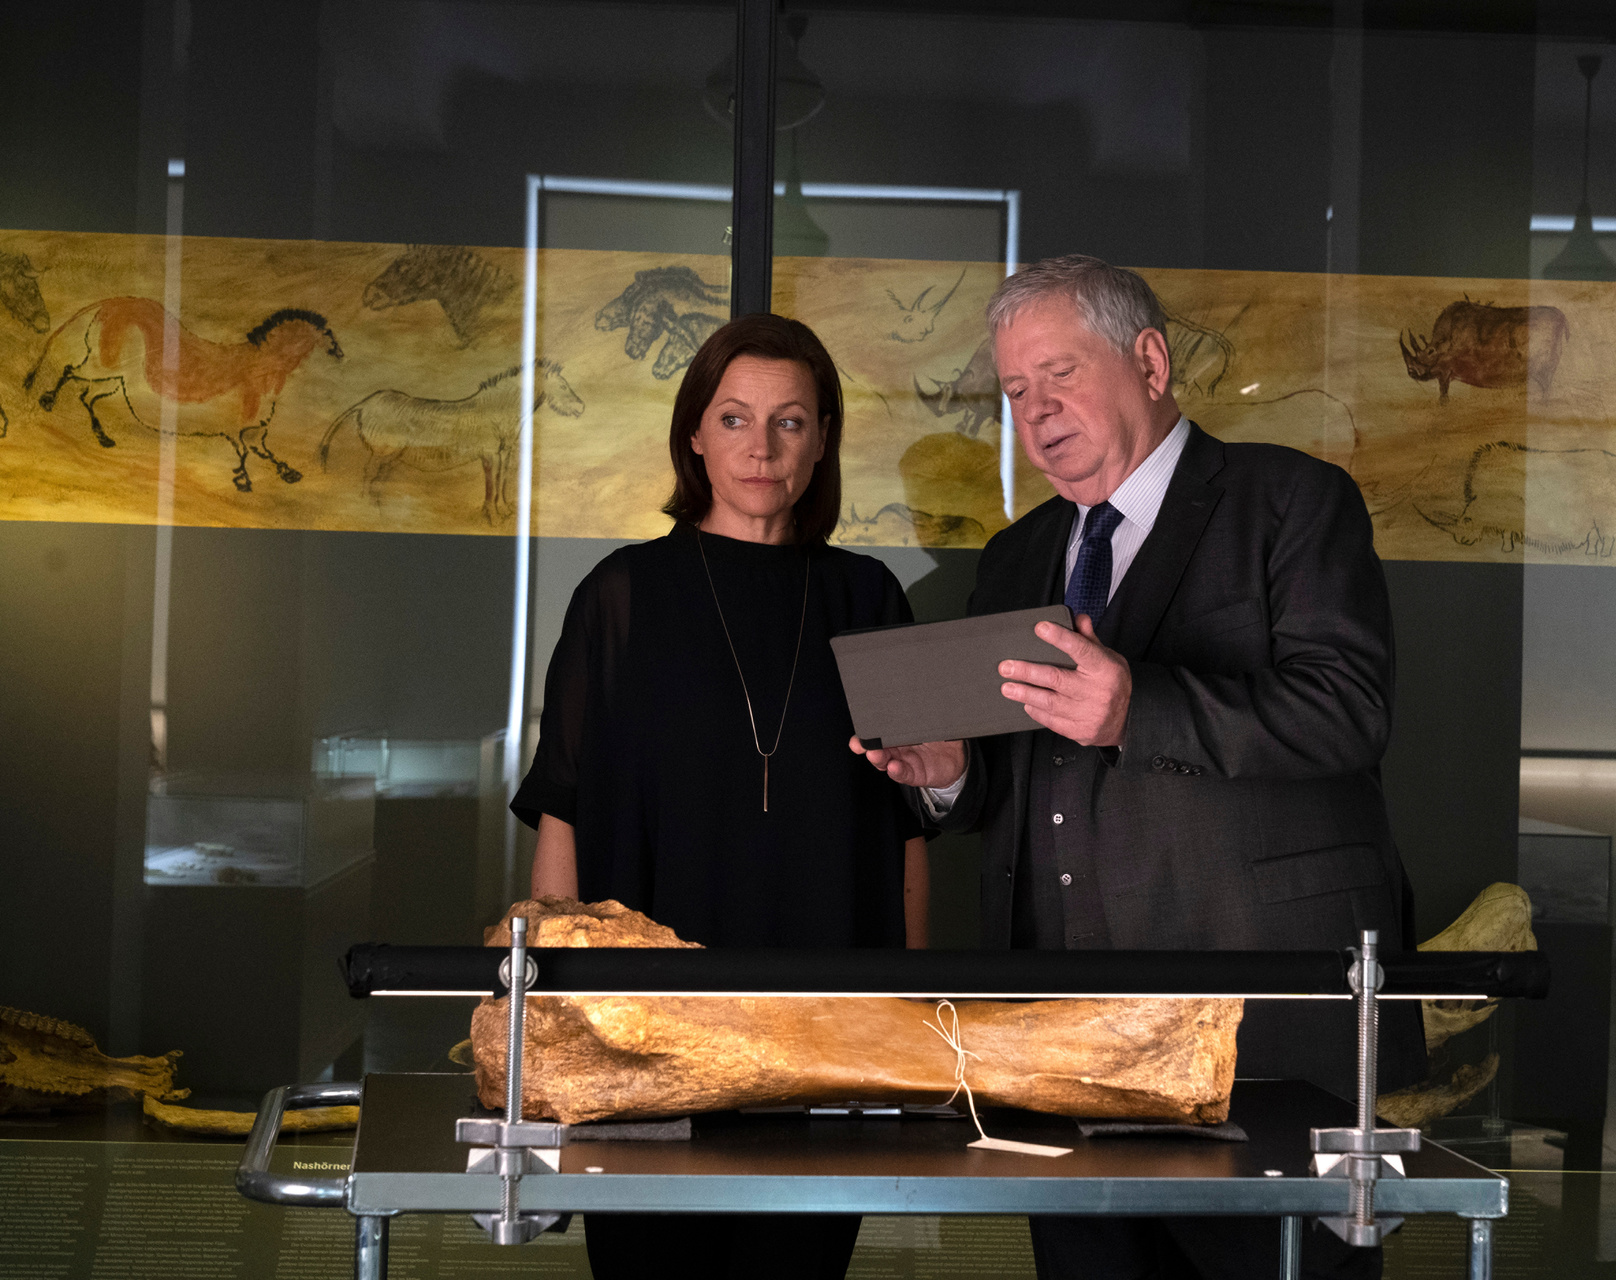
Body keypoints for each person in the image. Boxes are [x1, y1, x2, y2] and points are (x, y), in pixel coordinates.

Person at [854, 256, 1424, 1280]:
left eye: (1059, 374)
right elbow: (1028, 781)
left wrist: (1138, 705)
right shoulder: (1018, 554)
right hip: (1062, 1050)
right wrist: (948, 773)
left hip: (1262, 1039)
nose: (1036, 412)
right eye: (1016, 390)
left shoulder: (1293, 500)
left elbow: (1350, 710)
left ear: (1151, 362)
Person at [513, 313, 928, 1280]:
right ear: (694, 433)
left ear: (822, 439)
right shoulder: (618, 594)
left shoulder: (870, 599)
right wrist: (552, 1025)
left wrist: (910, 1018)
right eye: (735, 418)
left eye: (790, 421)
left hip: (827, 1037)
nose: (761, 447)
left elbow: (909, 829)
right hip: (646, 1039)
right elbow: (562, 812)